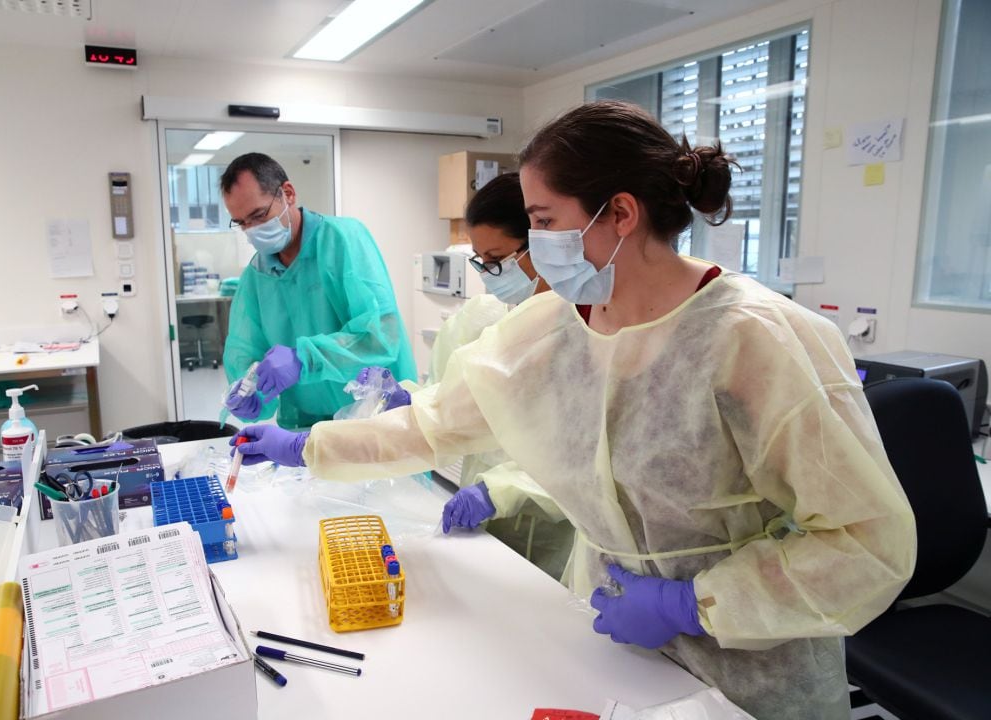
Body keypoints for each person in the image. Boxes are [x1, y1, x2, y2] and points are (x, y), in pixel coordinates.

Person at [231, 102, 916, 719]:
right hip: (613, 646)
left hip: (754, 672)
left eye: (543, 221)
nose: (536, 247)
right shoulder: (555, 329)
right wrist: (309, 446)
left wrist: (696, 605)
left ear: (620, 213)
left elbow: (867, 542)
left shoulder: (760, 339)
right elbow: (437, 423)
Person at [359, 173, 575, 581]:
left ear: (543, 243)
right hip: (485, 527)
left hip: (554, 535)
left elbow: (583, 460)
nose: (490, 275)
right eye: (482, 262)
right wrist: (410, 400)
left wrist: (503, 490)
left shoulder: (587, 329)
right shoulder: (484, 316)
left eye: (498, 260)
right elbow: (444, 397)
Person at [219, 152, 416, 429]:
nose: (252, 230)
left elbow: (380, 337)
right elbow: (246, 351)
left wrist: (304, 358)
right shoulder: (256, 276)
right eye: (242, 223)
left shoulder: (342, 240)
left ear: (288, 193)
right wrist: (250, 391)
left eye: (259, 215)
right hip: (307, 425)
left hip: (375, 418)